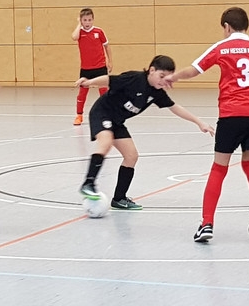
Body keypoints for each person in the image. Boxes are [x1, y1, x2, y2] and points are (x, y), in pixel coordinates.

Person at [163, 7, 249, 243]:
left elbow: (194, 70)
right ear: (246, 26)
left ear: (227, 27)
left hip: (231, 115)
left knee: (219, 169)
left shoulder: (222, 47)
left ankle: (206, 224)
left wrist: (173, 76)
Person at [77, 55, 214, 210]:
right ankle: (88, 183)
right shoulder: (134, 79)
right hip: (102, 113)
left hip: (117, 121)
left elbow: (175, 107)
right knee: (106, 142)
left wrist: (199, 122)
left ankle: (119, 198)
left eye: (168, 78)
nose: (164, 81)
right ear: (152, 70)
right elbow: (109, 80)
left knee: (131, 156)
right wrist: (89, 82)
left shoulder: (157, 92)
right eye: (161, 76)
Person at [72, 7, 113, 126]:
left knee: (104, 92)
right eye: (85, 20)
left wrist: (110, 61)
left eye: (89, 20)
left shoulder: (99, 32)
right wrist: (78, 24)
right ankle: (79, 115)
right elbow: (74, 37)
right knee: (82, 93)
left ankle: (106, 114)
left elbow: (107, 46)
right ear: (81, 20)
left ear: (93, 20)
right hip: (86, 68)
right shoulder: (80, 32)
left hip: (100, 66)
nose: (87, 22)